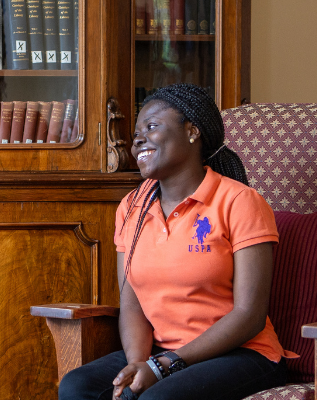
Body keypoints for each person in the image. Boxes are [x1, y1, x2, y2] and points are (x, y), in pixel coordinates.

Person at [58, 84, 292, 400]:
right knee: (77, 386)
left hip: (242, 352)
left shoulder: (239, 201)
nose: (137, 138)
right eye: (137, 132)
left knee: (159, 399)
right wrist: (138, 364)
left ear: (192, 131)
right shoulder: (131, 208)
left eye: (151, 127)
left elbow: (249, 315)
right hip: (160, 351)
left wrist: (163, 366)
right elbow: (132, 303)